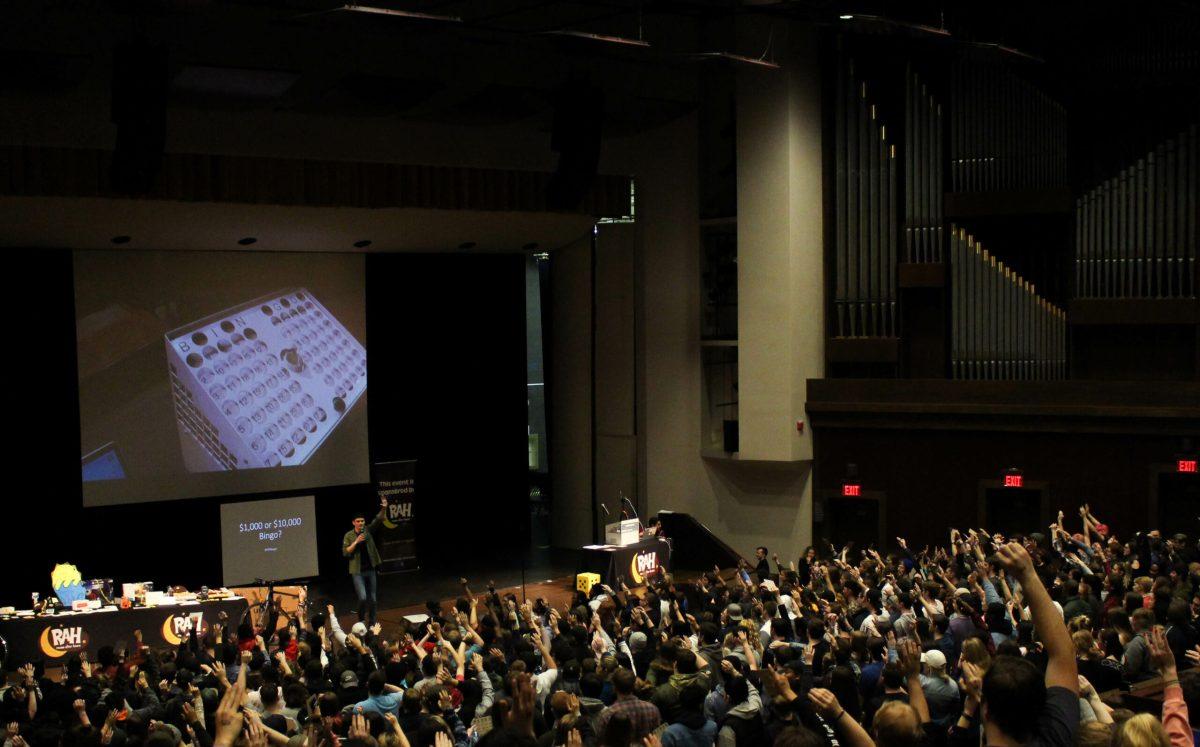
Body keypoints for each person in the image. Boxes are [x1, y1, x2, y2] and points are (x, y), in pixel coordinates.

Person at [343, 497, 388, 626]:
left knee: (373, 599)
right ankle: (361, 619)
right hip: (357, 572)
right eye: (358, 521)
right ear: (353, 523)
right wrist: (356, 542)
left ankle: (372, 622)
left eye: (362, 521)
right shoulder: (349, 536)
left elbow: (378, 519)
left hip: (370, 570)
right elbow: (346, 552)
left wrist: (384, 507)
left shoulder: (367, 531)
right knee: (362, 598)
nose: (361, 523)